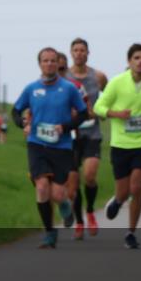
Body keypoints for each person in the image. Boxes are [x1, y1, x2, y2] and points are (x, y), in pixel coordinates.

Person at [93, 43, 141, 249]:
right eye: (136, 58)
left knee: (137, 187)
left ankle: (131, 232)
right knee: (124, 191)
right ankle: (117, 201)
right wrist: (117, 114)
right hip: (120, 144)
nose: (140, 61)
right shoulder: (117, 82)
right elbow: (99, 107)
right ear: (129, 61)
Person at [12, 47, 87, 249]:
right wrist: (23, 124)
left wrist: (65, 127)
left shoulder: (69, 88)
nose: (49, 64)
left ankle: (64, 206)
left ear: (58, 64)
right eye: (45, 61)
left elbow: (82, 114)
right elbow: (15, 111)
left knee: (58, 194)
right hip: (37, 144)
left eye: (53, 61)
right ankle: (49, 233)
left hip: (62, 146)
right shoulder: (31, 89)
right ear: (40, 64)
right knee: (42, 187)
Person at [68, 38, 108, 237]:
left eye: (82, 50)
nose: (79, 53)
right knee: (73, 185)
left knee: (90, 176)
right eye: (75, 50)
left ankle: (91, 210)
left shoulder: (98, 76)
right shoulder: (63, 76)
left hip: (92, 133)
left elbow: (109, 99)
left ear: (88, 53)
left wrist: (100, 112)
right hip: (71, 135)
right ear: (71, 53)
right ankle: (79, 221)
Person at [57, 52, 90, 238]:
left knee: (73, 186)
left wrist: (72, 120)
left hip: (72, 140)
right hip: (48, 143)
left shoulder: (76, 87)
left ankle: (78, 221)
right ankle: (63, 207)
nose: (58, 71)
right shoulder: (40, 88)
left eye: (62, 68)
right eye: (54, 67)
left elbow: (87, 110)